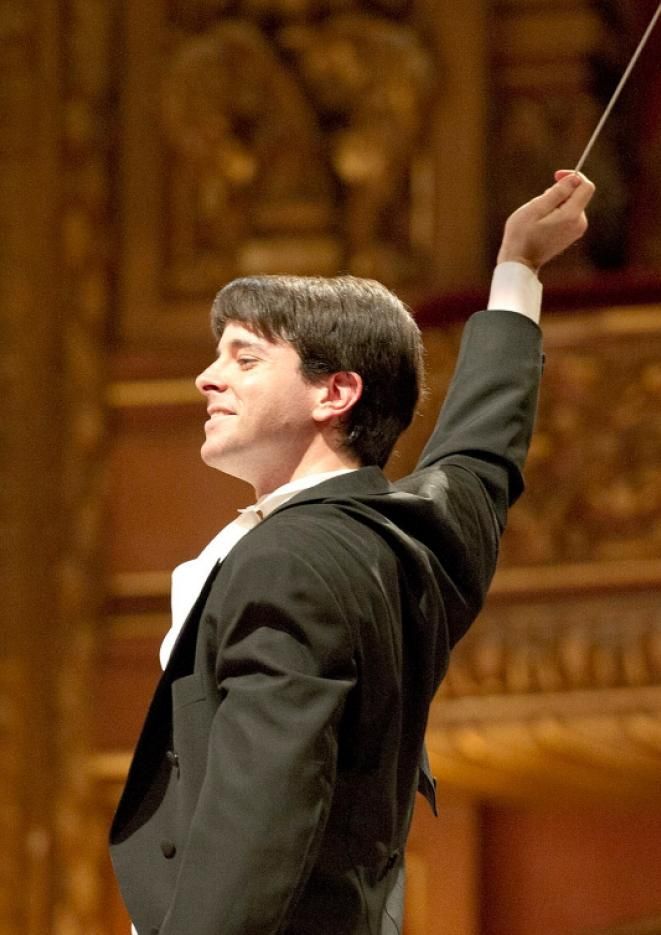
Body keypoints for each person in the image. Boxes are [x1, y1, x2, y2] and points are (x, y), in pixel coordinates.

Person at [110, 171, 595, 935]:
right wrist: (517, 270)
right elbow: (480, 457)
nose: (207, 378)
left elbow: (262, 819)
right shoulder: (419, 538)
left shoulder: (285, 563)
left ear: (334, 392)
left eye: (243, 358)